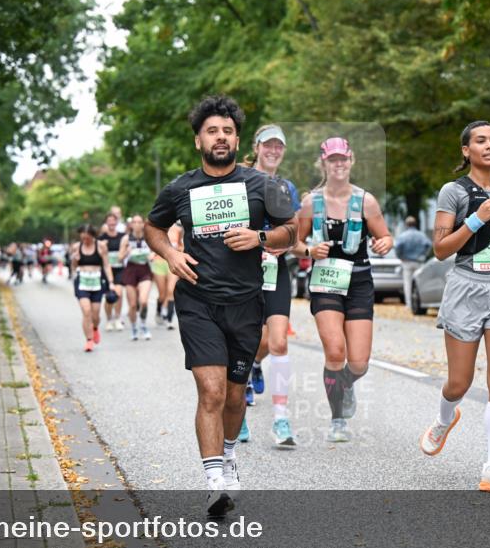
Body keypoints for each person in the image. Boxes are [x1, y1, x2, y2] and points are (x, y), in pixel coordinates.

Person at [146, 95, 295, 516]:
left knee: (234, 396)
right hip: (198, 302)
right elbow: (152, 227)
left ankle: (229, 456)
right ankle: (214, 481)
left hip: (246, 304)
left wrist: (260, 238)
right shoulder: (180, 188)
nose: (221, 137)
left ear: (236, 139)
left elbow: (292, 228)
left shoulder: (261, 186)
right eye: (212, 130)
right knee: (210, 391)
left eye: (228, 131)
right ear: (199, 140)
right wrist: (171, 254)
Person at [417, 121, 490, 492]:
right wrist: (474, 219)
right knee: (460, 382)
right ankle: (443, 418)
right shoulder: (452, 192)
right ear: (466, 151)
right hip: (466, 288)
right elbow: (440, 250)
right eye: (481, 141)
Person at [298, 137, 394, 443]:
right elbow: (294, 243)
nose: (338, 164)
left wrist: (383, 243)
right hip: (325, 281)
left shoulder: (366, 201)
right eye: (332, 159)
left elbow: (386, 237)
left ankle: (347, 383)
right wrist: (309, 250)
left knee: (358, 363)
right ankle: (337, 417)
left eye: (343, 159)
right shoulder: (310, 202)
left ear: (351, 160)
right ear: (323, 163)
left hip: (359, 281)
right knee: (336, 351)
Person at [240, 124, 304, 446]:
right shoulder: (239, 179)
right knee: (248, 341)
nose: (274, 151)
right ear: (257, 146)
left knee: (278, 341)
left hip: (275, 269)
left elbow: (293, 235)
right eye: (269, 145)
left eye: (280, 146)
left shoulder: (286, 188)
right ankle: (236, 414)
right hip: (242, 269)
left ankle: (281, 419)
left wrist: (298, 247)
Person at [70, 224, 117, 352]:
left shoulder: (101, 246)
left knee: (95, 315)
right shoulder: (76, 247)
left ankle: (95, 328)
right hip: (82, 282)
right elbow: (73, 267)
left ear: (92, 236)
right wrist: (75, 260)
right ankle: (89, 340)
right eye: (83, 238)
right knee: (86, 312)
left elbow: (107, 265)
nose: (85, 240)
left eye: (88, 238)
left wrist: (111, 282)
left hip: (96, 282)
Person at [122, 214, 155, 340]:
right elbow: (119, 257)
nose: (136, 224)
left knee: (143, 301)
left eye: (139, 222)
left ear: (143, 224)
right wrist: (126, 252)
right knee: (132, 305)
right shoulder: (126, 239)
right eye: (134, 222)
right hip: (130, 270)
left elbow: (156, 250)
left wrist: (152, 255)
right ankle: (134, 327)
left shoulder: (148, 238)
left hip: (144, 270)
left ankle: (143, 325)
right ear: (131, 225)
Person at [395, 215, 433, 310]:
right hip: (419, 261)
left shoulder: (403, 236)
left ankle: (409, 305)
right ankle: (419, 303)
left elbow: (398, 247)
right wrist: (424, 255)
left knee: (407, 283)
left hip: (407, 262)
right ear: (415, 224)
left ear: (406, 224)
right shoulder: (421, 235)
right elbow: (429, 245)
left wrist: (401, 257)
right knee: (419, 283)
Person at [99, 212, 126, 330]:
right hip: (105, 270)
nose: (111, 223)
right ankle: (109, 319)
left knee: (118, 293)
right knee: (109, 297)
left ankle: (118, 318)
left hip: (119, 269)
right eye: (109, 220)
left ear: (116, 223)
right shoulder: (101, 238)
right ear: (106, 223)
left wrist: (125, 252)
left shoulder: (122, 236)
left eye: (113, 220)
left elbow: (128, 249)